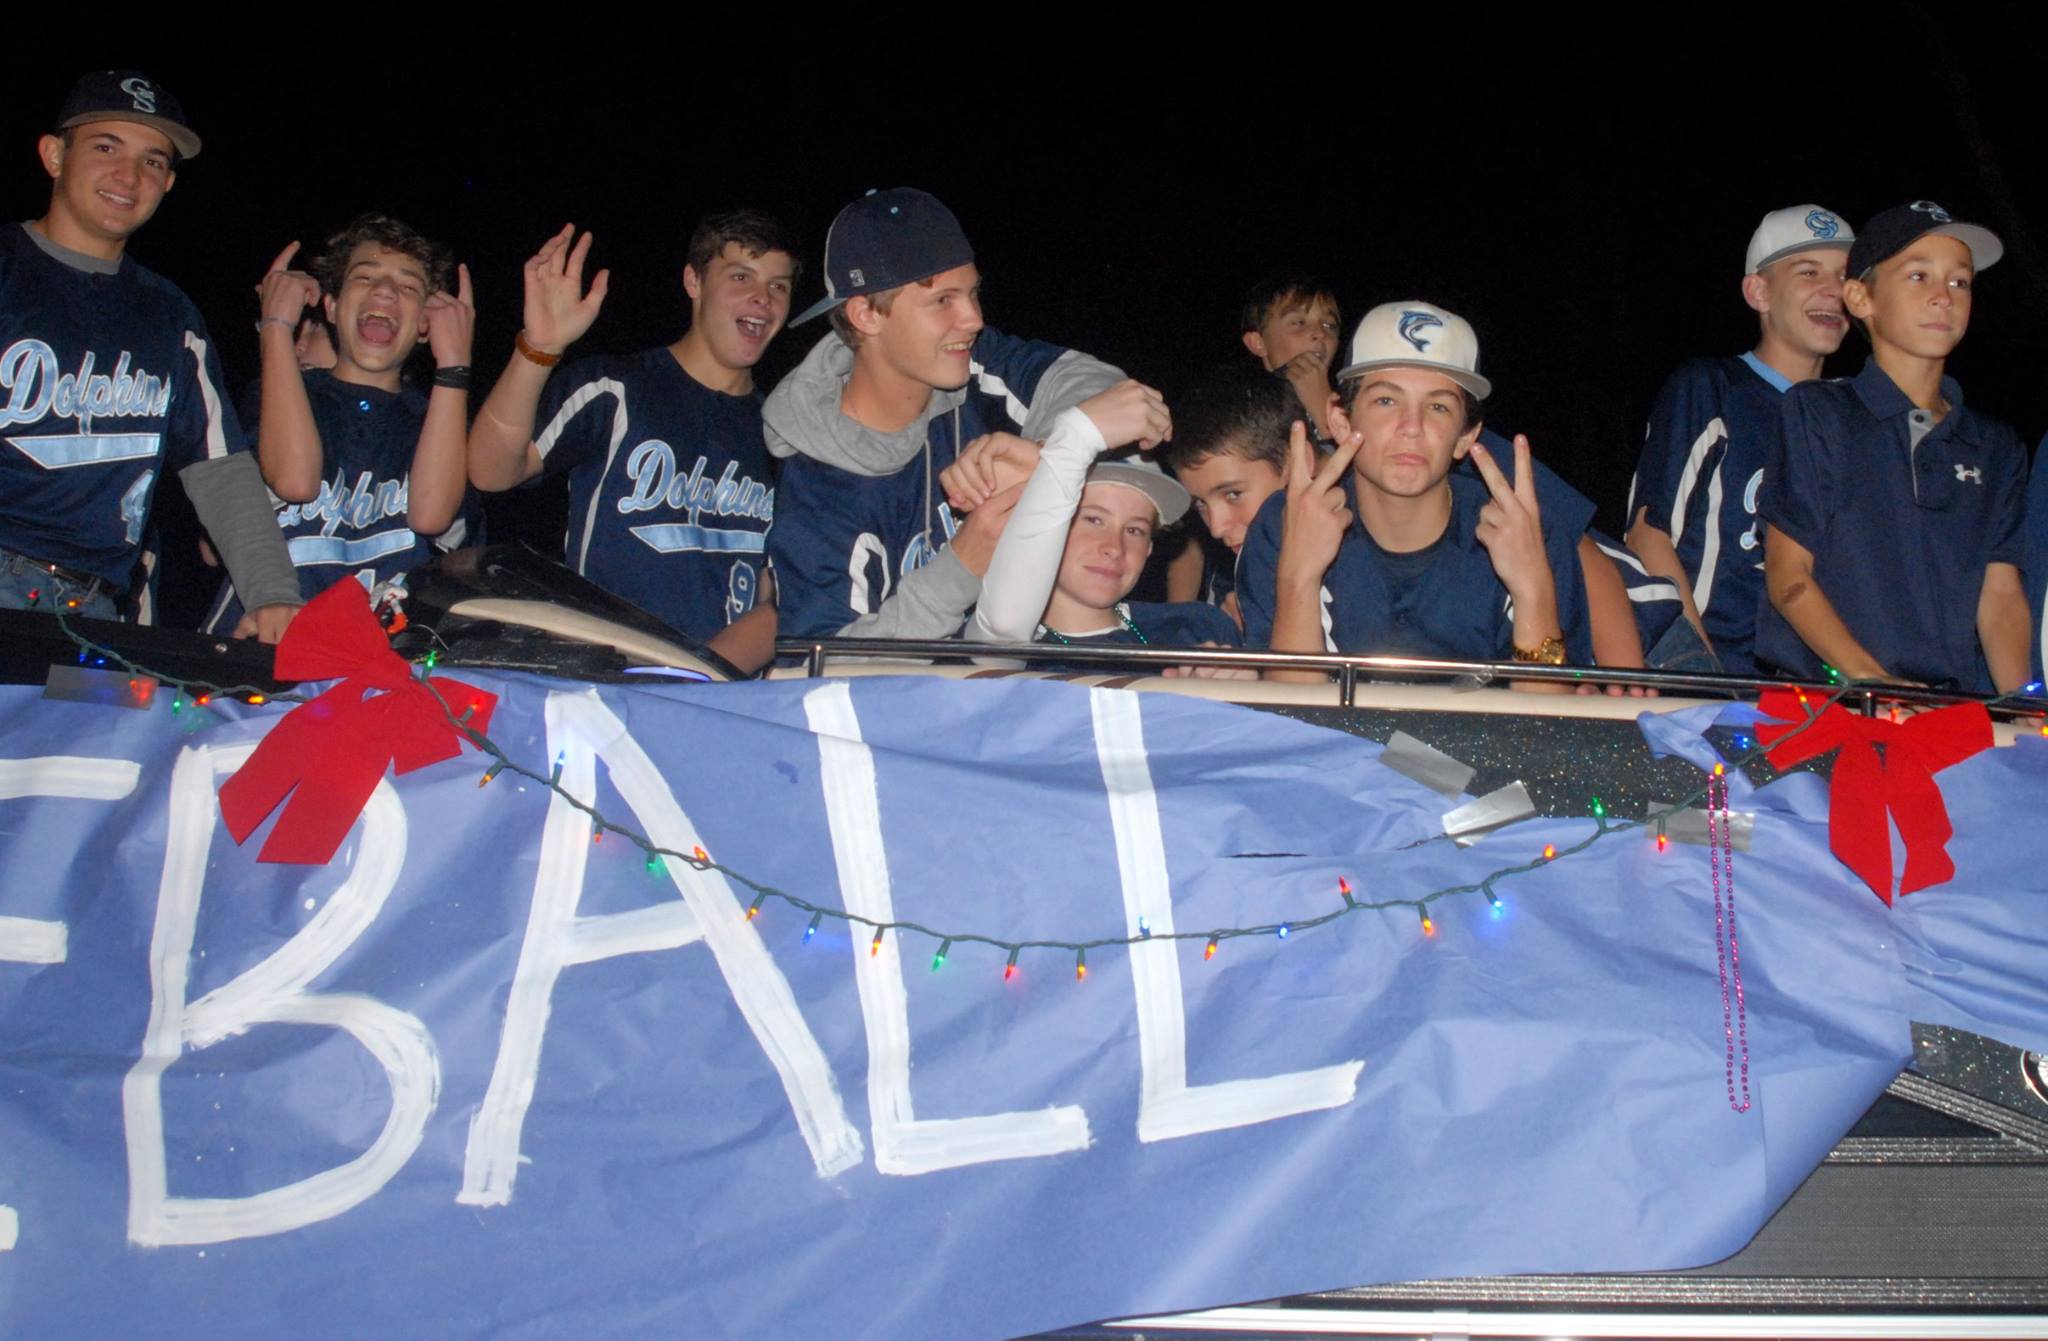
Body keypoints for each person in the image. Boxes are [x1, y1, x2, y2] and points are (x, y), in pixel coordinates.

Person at [0, 70, 299, 637]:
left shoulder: (168, 313)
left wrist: (272, 593)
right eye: (106, 146)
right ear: (54, 155)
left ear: (167, 185)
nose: (128, 175)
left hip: (97, 605)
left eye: (153, 161)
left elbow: (217, 463)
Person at [764, 188, 1127, 641]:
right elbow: (819, 665)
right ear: (866, 314)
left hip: (1016, 689)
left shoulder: (975, 365)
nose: (973, 319)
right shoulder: (817, 484)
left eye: (973, 294)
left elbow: (1113, 391)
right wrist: (961, 567)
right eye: (943, 300)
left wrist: (1045, 454)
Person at [466, 211, 798, 673]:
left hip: (726, 692)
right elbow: (491, 470)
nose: (762, 298)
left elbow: (778, 597)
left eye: (779, 285)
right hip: (607, 684)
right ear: (693, 280)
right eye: (741, 276)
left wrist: (696, 681)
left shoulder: (785, 435)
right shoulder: (616, 388)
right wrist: (539, 347)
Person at [1237, 302, 1589, 686]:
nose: (1412, 426)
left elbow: (1546, 727)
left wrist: (1533, 591)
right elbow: (1293, 724)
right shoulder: (1285, 523)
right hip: (1340, 746)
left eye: (1438, 407)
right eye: (1386, 401)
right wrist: (1299, 577)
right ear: (1340, 419)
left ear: (1465, 436)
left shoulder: (1526, 533)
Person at [1758, 201, 2030, 693]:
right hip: (1828, 702)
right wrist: (1873, 681)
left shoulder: (1996, 446)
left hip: (1954, 713)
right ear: (1860, 298)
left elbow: (2001, 594)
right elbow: (1788, 575)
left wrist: (2024, 710)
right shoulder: (1818, 412)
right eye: (1918, 276)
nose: (1943, 298)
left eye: (1959, 281)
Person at [202, 214, 473, 632]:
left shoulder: (433, 420)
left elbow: (432, 517)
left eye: (407, 286)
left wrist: (455, 362)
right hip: (260, 655)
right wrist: (276, 326)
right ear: (331, 304)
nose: (384, 291)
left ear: (425, 323)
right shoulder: (284, 393)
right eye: (364, 278)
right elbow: (294, 480)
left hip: (387, 669)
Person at [1625, 204, 1856, 673]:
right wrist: (1701, 674)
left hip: (1825, 688)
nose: (1832, 291)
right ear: (1759, 291)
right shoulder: (1714, 388)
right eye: (1808, 272)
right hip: (1723, 676)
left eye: (1845, 275)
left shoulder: (1855, 416)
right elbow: (1649, 535)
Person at [944, 379, 1240, 666]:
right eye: (1094, 519)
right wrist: (1074, 437)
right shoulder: (1010, 648)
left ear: (1149, 549)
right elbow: (1003, 627)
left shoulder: (1198, 629)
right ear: (1052, 525)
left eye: (1134, 530)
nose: (1114, 547)